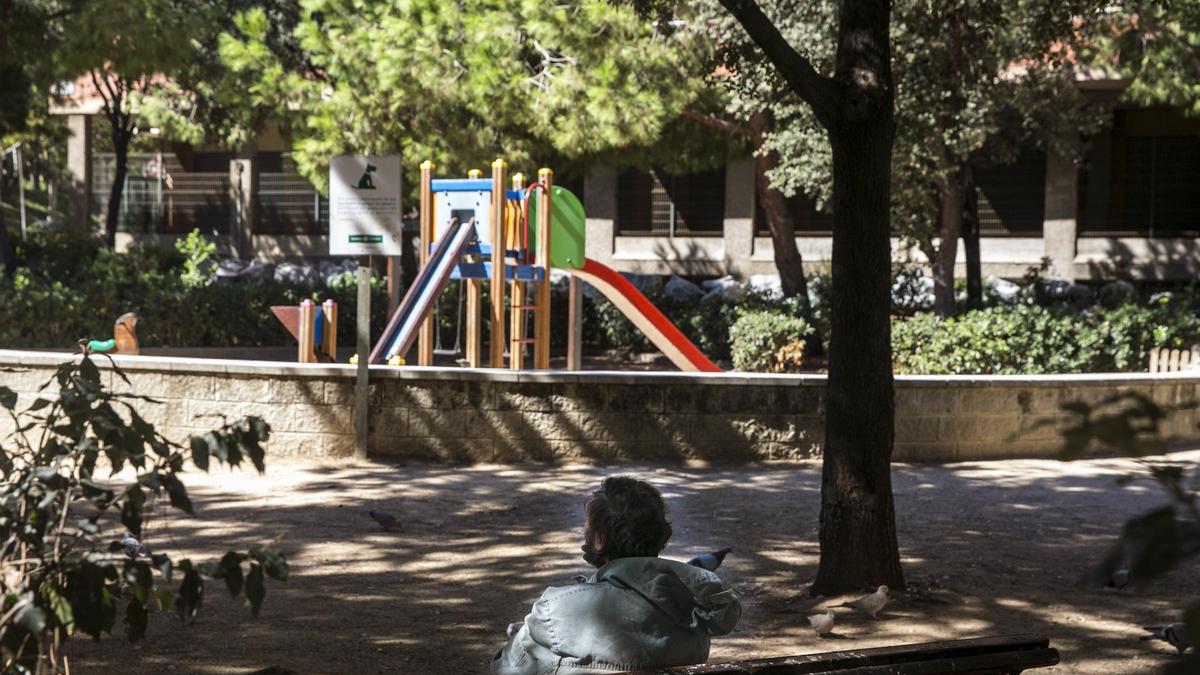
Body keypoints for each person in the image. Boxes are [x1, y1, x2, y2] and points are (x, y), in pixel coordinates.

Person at [490, 476, 741, 674]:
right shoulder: (696, 612)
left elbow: (502, 670)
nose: (583, 531)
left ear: (599, 540)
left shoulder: (556, 609)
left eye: (587, 526)